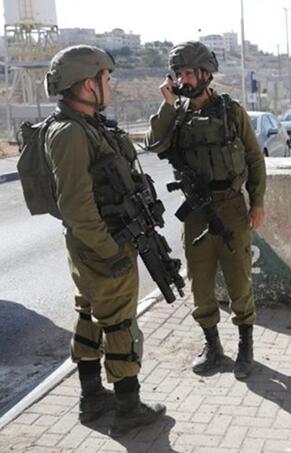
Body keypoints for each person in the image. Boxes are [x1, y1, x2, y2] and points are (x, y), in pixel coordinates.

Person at [43, 45, 165, 437]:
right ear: (86, 84)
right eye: (106, 78)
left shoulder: (89, 126)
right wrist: (112, 252)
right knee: (118, 322)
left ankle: (93, 397)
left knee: (90, 316)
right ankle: (128, 407)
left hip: (95, 243)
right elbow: (76, 206)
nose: (111, 84)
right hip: (101, 245)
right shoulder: (70, 134)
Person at [146, 41, 266, 380]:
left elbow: (255, 159)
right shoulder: (177, 114)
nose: (182, 79)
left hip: (230, 206)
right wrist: (167, 105)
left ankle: (245, 345)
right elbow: (155, 144)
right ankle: (212, 346)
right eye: (178, 73)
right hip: (196, 210)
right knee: (199, 281)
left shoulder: (232, 112)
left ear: (205, 74)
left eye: (188, 72)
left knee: (238, 277)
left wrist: (256, 202)